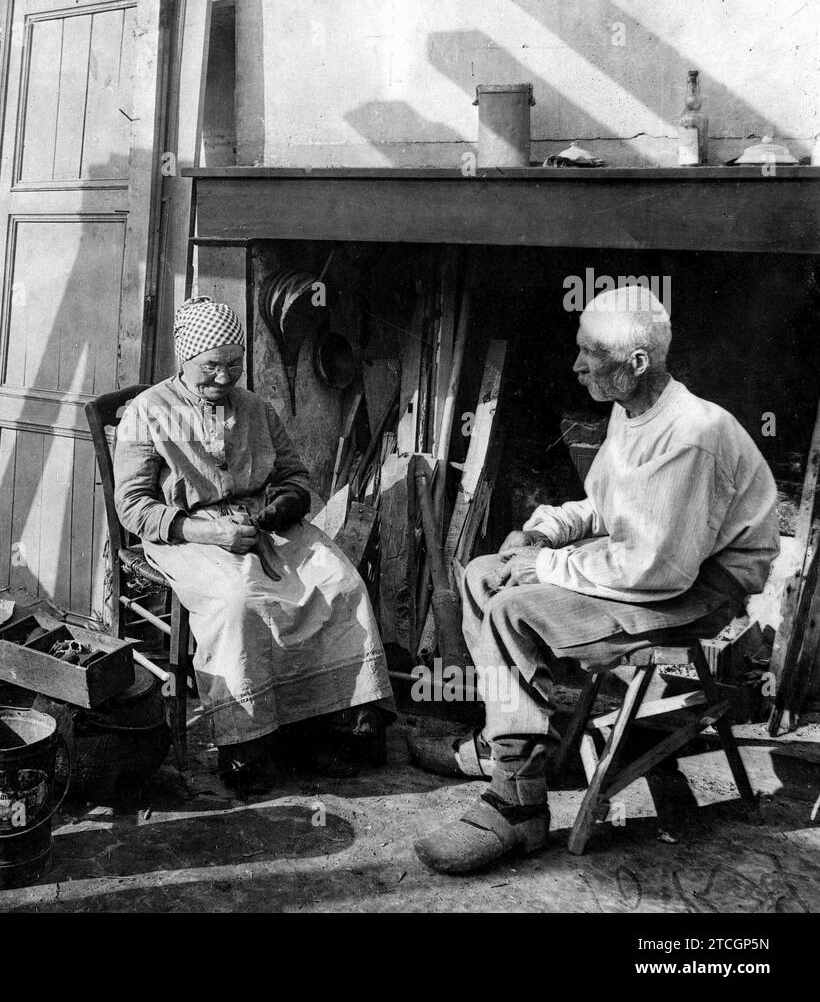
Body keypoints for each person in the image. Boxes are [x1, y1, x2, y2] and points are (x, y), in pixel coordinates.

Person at [412, 286, 779, 874]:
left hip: (698, 588)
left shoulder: (692, 436)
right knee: (483, 574)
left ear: (636, 365)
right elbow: (605, 507)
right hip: (657, 564)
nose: (577, 366)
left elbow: (655, 570)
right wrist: (543, 534)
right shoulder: (632, 409)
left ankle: (517, 805)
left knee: (512, 610)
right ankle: (513, 742)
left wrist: (547, 567)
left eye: (590, 354)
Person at [113, 297, 396, 795]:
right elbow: (133, 508)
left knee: (339, 580)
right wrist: (210, 532)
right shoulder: (147, 411)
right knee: (240, 601)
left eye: (234, 367)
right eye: (211, 368)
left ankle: (317, 730)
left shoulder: (256, 408)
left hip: (264, 524)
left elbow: (293, 475)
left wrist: (284, 503)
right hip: (187, 533)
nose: (224, 379)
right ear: (184, 357)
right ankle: (247, 747)